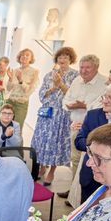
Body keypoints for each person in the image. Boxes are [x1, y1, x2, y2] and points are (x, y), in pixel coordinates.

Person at [31, 46, 79, 186]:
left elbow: (73, 96)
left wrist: (61, 85)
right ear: (57, 59)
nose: (62, 59)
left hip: (62, 114)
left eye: (66, 57)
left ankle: (52, 170)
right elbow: (41, 95)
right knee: (42, 140)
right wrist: (54, 87)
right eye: (60, 57)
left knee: (55, 143)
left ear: (71, 59)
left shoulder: (75, 76)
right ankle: (41, 167)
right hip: (47, 112)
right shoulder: (49, 74)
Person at [62, 54, 106, 194]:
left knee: (91, 163)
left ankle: (86, 193)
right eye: (81, 67)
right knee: (74, 159)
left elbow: (101, 107)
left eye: (88, 67)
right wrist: (71, 106)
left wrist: (84, 106)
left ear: (96, 68)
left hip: (94, 129)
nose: (83, 70)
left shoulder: (104, 83)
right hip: (75, 126)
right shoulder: (76, 81)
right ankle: (73, 192)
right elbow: (66, 100)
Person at [6, 48, 39, 131]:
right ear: (19, 57)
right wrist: (10, 79)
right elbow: (9, 88)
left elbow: (29, 91)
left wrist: (21, 80)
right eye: (22, 55)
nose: (24, 56)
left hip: (21, 104)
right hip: (10, 101)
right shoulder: (15, 70)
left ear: (31, 59)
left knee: (16, 129)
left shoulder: (35, 72)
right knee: (6, 127)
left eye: (27, 55)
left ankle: (15, 144)